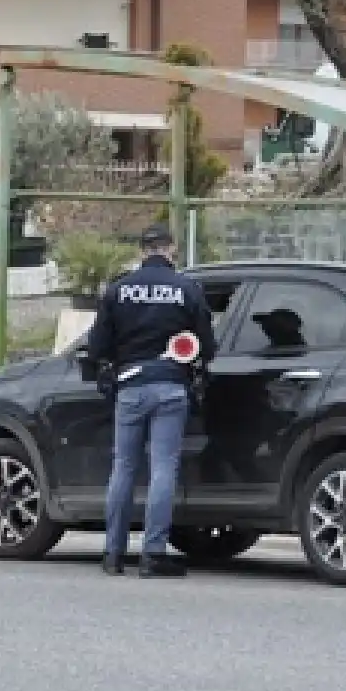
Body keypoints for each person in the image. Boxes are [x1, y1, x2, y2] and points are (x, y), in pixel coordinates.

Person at [84, 223, 216, 578]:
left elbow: (97, 349)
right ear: (170, 249)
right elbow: (208, 345)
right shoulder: (187, 288)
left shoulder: (119, 290)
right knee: (162, 469)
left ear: (142, 251)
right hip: (171, 386)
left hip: (130, 387)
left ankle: (113, 554)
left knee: (123, 467)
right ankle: (153, 554)